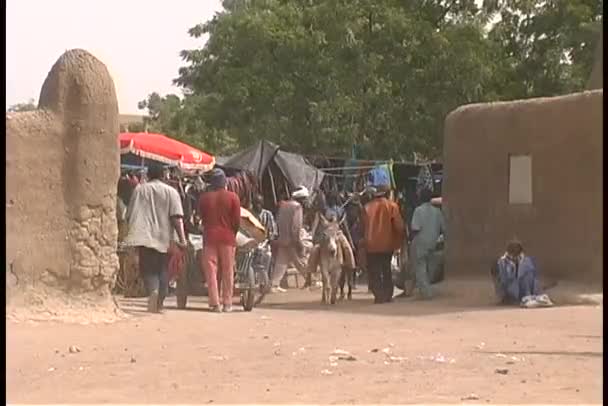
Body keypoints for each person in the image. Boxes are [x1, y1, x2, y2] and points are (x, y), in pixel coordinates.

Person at [125, 163, 187, 313]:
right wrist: (183, 239)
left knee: (147, 268)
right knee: (163, 269)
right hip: (164, 238)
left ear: (148, 175)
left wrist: (131, 233)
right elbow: (177, 218)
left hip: (144, 236)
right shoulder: (171, 192)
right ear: (163, 175)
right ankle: (159, 302)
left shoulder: (139, 190)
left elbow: (129, 214)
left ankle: (153, 291)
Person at [198, 168, 241, 313]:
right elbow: (236, 221)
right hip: (228, 237)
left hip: (209, 237)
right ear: (224, 182)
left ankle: (215, 303)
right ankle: (227, 303)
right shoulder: (233, 197)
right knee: (228, 270)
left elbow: (202, 219)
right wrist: (232, 233)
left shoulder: (204, 198)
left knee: (211, 271)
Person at [362, 185, 406, 304]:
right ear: (387, 194)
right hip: (387, 244)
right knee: (386, 268)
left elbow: (362, 226)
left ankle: (378, 296)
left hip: (371, 245)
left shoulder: (367, 207)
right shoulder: (392, 206)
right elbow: (399, 226)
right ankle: (387, 295)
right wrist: (401, 239)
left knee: (374, 270)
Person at [269, 186, 310, 292]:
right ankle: (311, 281)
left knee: (281, 262)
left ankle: (274, 284)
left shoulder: (283, 206)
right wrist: (298, 242)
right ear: (301, 198)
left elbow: (278, 222)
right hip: (292, 240)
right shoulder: (297, 207)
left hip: (283, 239)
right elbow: (296, 227)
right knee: (300, 261)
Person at [491, 240, 553, 307]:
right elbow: (501, 281)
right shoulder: (501, 262)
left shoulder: (527, 261)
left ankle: (530, 297)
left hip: (526, 291)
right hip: (509, 291)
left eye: (516, 253)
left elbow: (533, 279)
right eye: (513, 253)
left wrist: (535, 292)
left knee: (527, 276)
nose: (515, 256)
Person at [410, 188, 444, 300]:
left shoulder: (418, 211)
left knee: (420, 268)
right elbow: (443, 228)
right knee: (429, 268)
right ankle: (425, 290)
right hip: (433, 242)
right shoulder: (437, 212)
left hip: (420, 242)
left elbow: (415, 228)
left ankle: (426, 293)